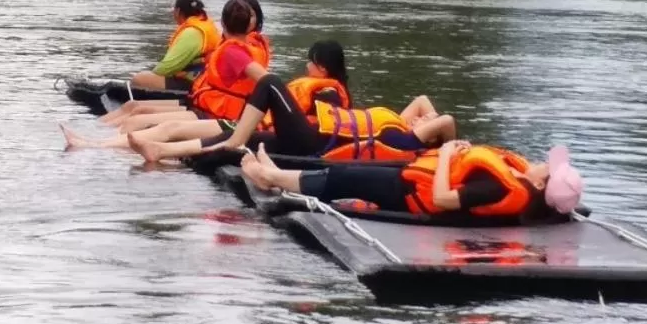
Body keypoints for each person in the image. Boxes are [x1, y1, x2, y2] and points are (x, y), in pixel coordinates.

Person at [62, 40, 350, 152]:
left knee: (173, 129)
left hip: (267, 133)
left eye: (310, 63)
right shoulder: (316, 86)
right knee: (168, 128)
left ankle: (100, 145)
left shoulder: (327, 91)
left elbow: (324, 126)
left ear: (321, 67)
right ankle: (96, 143)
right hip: (249, 123)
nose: (306, 67)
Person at [125, 68, 456, 164]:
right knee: (242, 135)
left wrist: (448, 147)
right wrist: (425, 119)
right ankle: (162, 151)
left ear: (428, 136)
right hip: (309, 137)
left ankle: (238, 139)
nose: (422, 117)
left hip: (312, 144)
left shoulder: (409, 139)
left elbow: (446, 123)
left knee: (268, 83)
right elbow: (424, 101)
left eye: (425, 122)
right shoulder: (399, 125)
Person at [239, 141, 584, 221]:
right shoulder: (520, 178)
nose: (540, 162)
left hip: (412, 197)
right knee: (346, 173)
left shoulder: (503, 188)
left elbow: (446, 200)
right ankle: (277, 174)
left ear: (542, 185)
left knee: (343, 177)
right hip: (413, 180)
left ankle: (269, 176)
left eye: (546, 167)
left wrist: (447, 153)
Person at [101, 0, 271, 125]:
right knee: (134, 108)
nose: (242, 17)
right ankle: (95, 133)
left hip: (218, 111)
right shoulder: (229, 44)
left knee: (140, 115)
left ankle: (92, 144)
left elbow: (266, 81)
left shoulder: (240, 50)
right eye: (238, 12)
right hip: (204, 99)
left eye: (247, 14)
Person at [125, 0, 221, 93]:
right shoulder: (205, 24)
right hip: (204, 79)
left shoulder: (192, 33)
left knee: (139, 79)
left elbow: (166, 69)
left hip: (196, 84)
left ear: (178, 11)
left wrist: (149, 75)